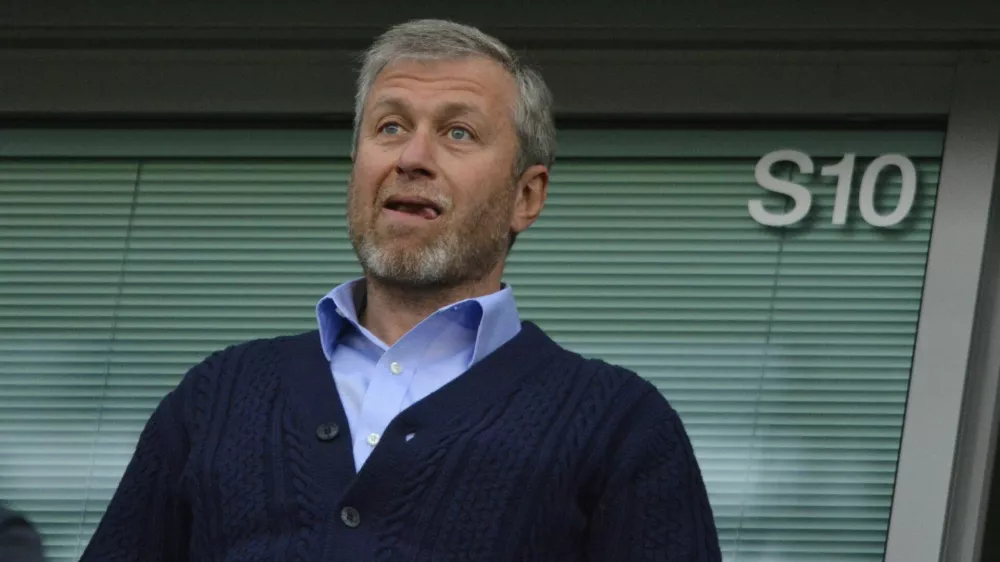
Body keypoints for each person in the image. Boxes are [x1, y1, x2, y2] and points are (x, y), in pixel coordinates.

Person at [81, 19, 721, 561]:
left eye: (458, 132)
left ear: (526, 197)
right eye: (389, 127)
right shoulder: (216, 397)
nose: (411, 157)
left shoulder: (620, 424)